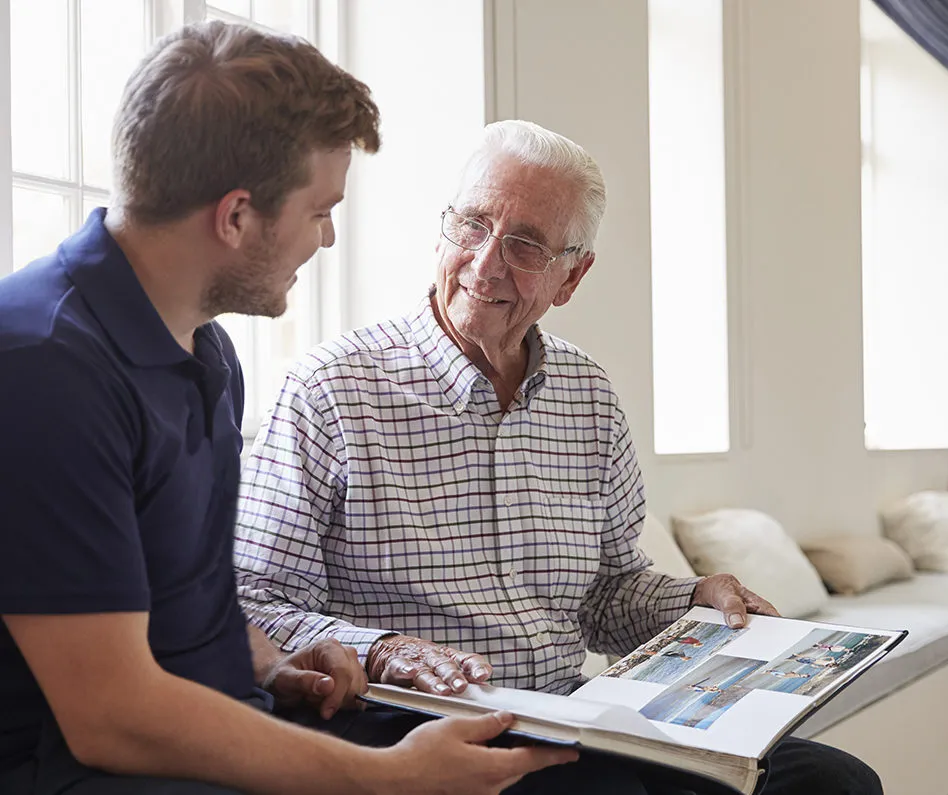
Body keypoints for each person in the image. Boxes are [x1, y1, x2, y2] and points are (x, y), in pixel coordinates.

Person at [0, 23, 577, 795]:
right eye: (319, 210)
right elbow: (111, 714)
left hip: (216, 724)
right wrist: (388, 776)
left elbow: (184, 602)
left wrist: (275, 663)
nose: (329, 236)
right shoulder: (42, 365)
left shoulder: (206, 352)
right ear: (236, 217)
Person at [235, 120, 883, 794]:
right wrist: (384, 649)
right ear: (442, 228)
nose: (486, 263)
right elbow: (253, 600)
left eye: (525, 245)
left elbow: (606, 592)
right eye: (473, 225)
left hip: (572, 717)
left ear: (572, 275)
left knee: (833, 781)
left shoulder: (589, 394)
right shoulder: (329, 388)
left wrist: (693, 598)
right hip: (410, 726)